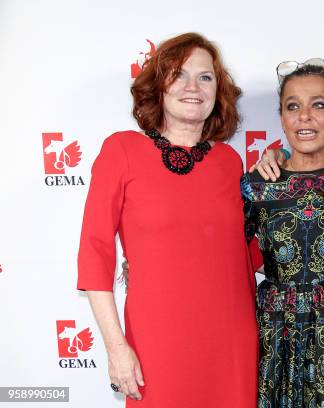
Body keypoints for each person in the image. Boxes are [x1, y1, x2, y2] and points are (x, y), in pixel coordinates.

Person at [77, 33, 257, 407]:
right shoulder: (122, 150)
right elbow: (94, 253)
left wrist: (285, 179)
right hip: (156, 345)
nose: (193, 87)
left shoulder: (229, 162)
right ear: (159, 86)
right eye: (179, 74)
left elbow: (248, 254)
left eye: (205, 77)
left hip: (231, 343)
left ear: (218, 91)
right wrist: (116, 347)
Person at [242, 59, 324, 407]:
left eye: (318, 105)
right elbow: (220, 253)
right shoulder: (256, 186)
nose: (304, 116)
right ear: (281, 116)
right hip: (276, 334)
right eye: (293, 106)